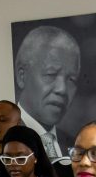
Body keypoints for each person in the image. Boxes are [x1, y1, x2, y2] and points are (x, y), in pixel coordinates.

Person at [13, 26, 81, 158]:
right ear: (22, 76)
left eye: (71, 79)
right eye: (51, 74)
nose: (62, 89)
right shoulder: (4, 141)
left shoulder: (75, 145)